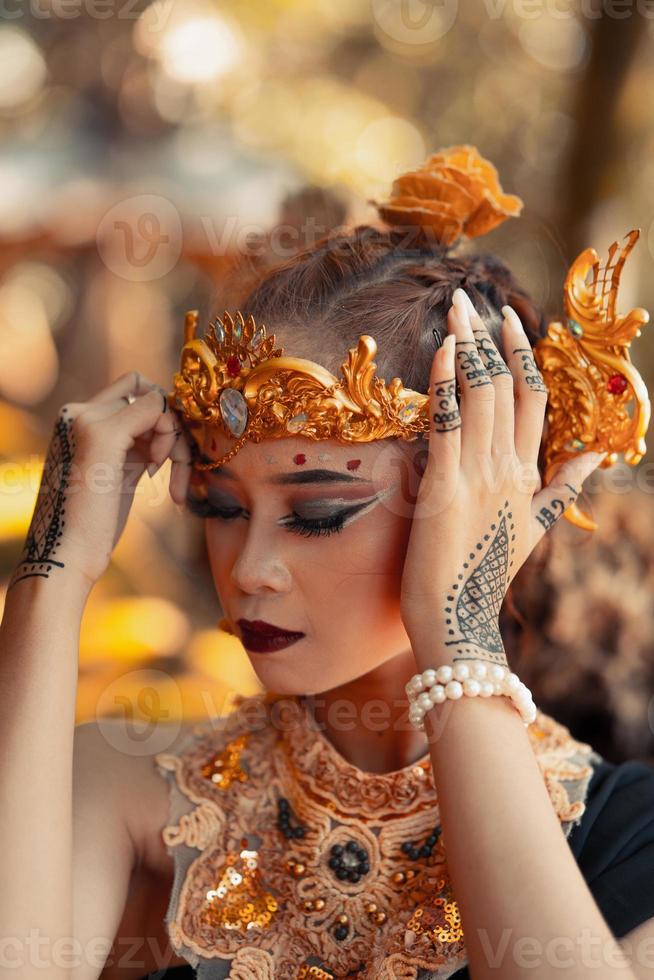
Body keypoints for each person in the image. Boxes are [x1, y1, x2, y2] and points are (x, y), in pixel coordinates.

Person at [1, 145, 653, 980]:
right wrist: (52, 581)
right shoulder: (128, 793)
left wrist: (461, 631)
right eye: (222, 507)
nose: (250, 569)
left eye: (317, 514)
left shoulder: (627, 835)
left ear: (466, 509)